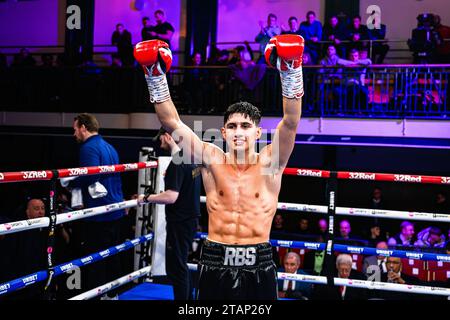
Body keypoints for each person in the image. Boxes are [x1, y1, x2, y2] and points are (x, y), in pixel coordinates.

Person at [134, 33, 304, 300]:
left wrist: (292, 69)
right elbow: (171, 122)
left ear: (258, 133)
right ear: (224, 133)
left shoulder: (271, 162)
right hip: (215, 259)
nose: (239, 132)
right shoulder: (210, 158)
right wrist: (154, 74)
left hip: (258, 260)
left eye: (246, 126)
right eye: (233, 126)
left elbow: (291, 121)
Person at [67, 113, 126, 300]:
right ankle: (113, 294)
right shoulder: (109, 147)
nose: (74, 133)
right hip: (115, 210)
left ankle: (99, 296)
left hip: (100, 213)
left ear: (84, 127)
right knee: (112, 256)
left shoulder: (88, 148)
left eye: (75, 128)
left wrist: (70, 182)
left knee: (96, 260)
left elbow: (91, 175)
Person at [139, 128, 201, 300]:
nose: (159, 143)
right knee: (180, 265)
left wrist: (146, 198)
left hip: (180, 221)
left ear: (168, 137)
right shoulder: (191, 159)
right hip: (189, 219)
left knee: (176, 267)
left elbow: (171, 196)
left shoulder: (177, 162)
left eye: (161, 138)